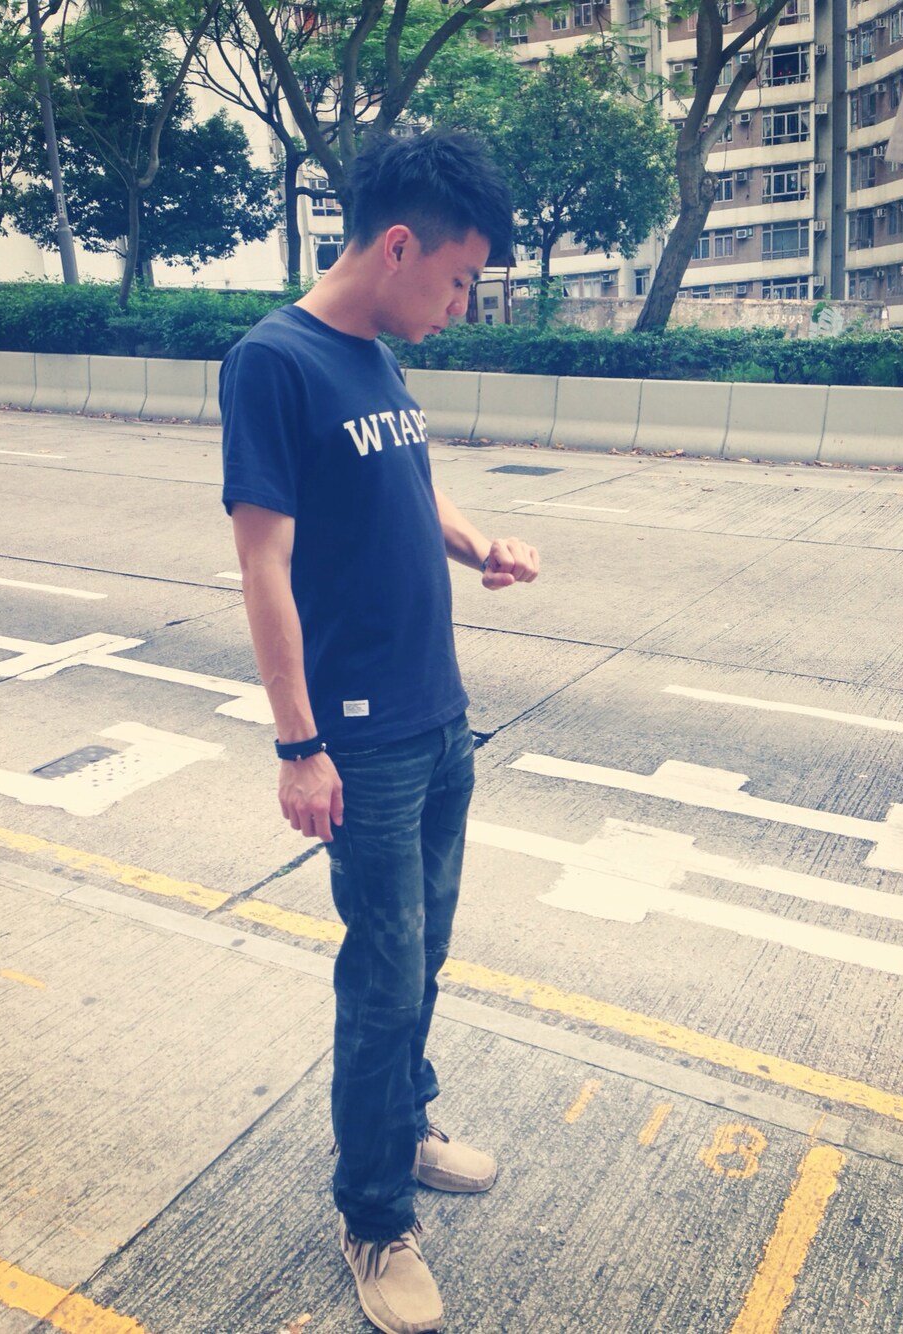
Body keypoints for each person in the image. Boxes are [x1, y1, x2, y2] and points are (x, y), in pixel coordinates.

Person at [220, 131, 539, 1334]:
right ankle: (371, 1212)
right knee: (383, 979)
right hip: (360, 742)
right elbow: (264, 563)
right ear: (398, 246)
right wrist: (297, 745)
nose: (461, 304)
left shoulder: (380, 359)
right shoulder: (275, 362)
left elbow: (407, 482)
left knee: (425, 958)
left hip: (438, 715)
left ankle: (402, 1125)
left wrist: (478, 543)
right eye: (458, 279)